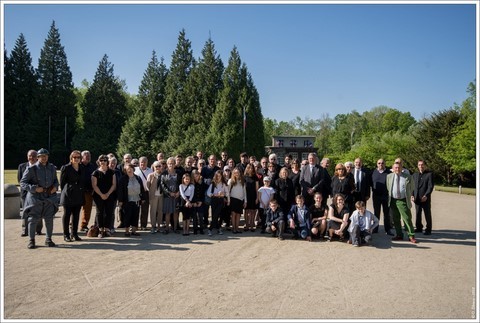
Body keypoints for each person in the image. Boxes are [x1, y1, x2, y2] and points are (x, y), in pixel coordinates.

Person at [20, 148, 59, 249]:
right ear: (38, 157)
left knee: (49, 219)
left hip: (49, 197)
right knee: (33, 219)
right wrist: (34, 188)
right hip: (35, 198)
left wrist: (55, 187)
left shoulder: (52, 168)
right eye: (42, 156)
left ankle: (48, 239)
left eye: (45, 156)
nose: (44, 157)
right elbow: (23, 183)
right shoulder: (31, 169)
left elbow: (55, 181)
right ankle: (31, 240)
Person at [387, 161, 417, 244]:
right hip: (393, 200)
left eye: (399, 167)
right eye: (395, 167)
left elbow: (412, 187)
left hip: (403, 200)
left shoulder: (408, 177)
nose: (397, 169)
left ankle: (411, 235)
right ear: (393, 168)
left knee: (407, 218)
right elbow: (388, 187)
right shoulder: (389, 176)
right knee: (396, 219)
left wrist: (409, 194)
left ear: (402, 168)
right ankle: (399, 235)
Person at [59, 150, 84, 242]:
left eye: (78, 157)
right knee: (67, 215)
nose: (76, 159)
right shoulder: (66, 168)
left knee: (76, 215)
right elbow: (62, 183)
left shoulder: (82, 167)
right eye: (75, 157)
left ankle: (75, 233)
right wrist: (66, 191)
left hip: (78, 194)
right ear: (71, 158)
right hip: (68, 195)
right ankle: (66, 235)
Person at [18, 149, 43, 236]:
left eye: (34, 156)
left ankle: (38, 229)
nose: (31, 158)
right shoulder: (21, 166)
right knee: (25, 212)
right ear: (27, 156)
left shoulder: (40, 166)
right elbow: (20, 180)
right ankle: (25, 230)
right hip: (25, 194)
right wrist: (30, 189)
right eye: (30, 156)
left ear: (37, 157)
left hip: (38, 193)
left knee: (39, 211)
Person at [91, 154, 117, 238]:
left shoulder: (111, 172)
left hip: (110, 195)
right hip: (98, 195)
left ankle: (107, 229)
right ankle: (100, 230)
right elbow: (94, 185)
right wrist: (102, 195)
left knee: (109, 212)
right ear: (98, 162)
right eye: (101, 160)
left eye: (105, 160)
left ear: (107, 162)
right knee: (100, 212)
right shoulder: (95, 173)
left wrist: (108, 194)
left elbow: (114, 184)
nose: (103, 162)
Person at [117, 164, 145, 237]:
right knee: (127, 216)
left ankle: (134, 231)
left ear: (133, 169)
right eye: (127, 169)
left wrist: (143, 198)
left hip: (136, 199)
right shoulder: (123, 179)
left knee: (135, 215)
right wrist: (120, 200)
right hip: (127, 200)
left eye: (131, 168)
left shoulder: (138, 178)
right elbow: (120, 190)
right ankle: (127, 231)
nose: (129, 170)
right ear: (125, 170)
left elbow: (142, 188)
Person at [412, 160, 434, 235]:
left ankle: (428, 229)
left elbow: (430, 186)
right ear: (417, 166)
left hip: (425, 198)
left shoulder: (429, 174)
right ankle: (418, 228)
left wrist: (426, 195)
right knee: (418, 213)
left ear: (425, 165)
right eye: (419, 165)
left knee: (427, 214)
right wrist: (412, 195)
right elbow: (412, 186)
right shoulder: (415, 175)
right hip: (416, 198)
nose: (421, 166)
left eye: (422, 165)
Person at [370, 158, 393, 235]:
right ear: (377, 164)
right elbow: (370, 183)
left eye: (382, 163)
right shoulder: (373, 172)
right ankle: (375, 229)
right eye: (379, 163)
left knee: (387, 214)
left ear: (385, 164)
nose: (381, 164)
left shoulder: (389, 172)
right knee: (376, 213)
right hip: (376, 196)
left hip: (386, 196)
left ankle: (388, 229)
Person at [160, 157, 181, 234]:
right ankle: (166, 229)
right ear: (167, 164)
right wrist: (169, 193)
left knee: (176, 212)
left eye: (172, 163)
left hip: (177, 195)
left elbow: (181, 183)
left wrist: (179, 192)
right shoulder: (164, 173)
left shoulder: (178, 172)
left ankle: (175, 228)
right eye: (169, 163)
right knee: (168, 212)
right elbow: (162, 185)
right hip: (168, 196)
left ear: (175, 164)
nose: (171, 165)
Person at [207, 170, 230, 236]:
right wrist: (214, 194)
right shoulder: (213, 184)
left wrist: (228, 200)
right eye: (217, 176)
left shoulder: (224, 184)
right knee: (215, 215)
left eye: (220, 176)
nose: (218, 177)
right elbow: (208, 193)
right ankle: (218, 228)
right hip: (214, 200)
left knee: (217, 214)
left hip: (220, 201)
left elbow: (227, 193)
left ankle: (210, 229)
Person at [79, 150, 96, 232]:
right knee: (75, 209)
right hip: (78, 191)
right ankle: (72, 225)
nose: (88, 157)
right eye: (86, 155)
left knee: (87, 210)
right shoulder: (78, 165)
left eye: (89, 155)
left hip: (88, 191)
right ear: (82, 157)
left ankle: (84, 225)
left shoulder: (92, 166)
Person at [134, 156, 153, 230]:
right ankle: (135, 225)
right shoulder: (135, 170)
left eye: (144, 162)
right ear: (139, 162)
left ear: (147, 163)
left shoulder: (150, 170)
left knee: (145, 209)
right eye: (142, 162)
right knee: (136, 209)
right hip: (136, 192)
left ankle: (143, 225)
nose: (143, 163)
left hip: (146, 192)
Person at [228, 167, 247, 234]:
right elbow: (228, 191)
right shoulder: (231, 181)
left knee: (238, 215)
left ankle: (237, 228)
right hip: (233, 199)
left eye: (238, 172)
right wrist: (228, 200)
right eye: (235, 173)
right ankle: (234, 228)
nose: (237, 174)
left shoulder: (242, 181)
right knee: (233, 214)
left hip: (240, 200)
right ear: (233, 173)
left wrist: (245, 201)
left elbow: (244, 192)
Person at [146, 161, 164, 234]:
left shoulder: (163, 175)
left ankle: (159, 226)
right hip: (153, 196)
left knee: (160, 211)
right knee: (153, 211)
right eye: (156, 166)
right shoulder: (150, 175)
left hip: (162, 196)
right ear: (153, 167)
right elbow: (147, 186)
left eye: (159, 166)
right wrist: (150, 191)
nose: (158, 168)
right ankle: (153, 226)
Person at [243, 164, 259, 232]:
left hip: (253, 196)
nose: (250, 169)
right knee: (246, 211)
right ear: (247, 168)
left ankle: (252, 225)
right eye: (249, 168)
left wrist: (257, 198)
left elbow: (257, 189)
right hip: (246, 196)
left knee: (253, 211)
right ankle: (247, 225)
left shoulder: (255, 177)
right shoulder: (244, 177)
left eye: (251, 168)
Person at [191, 169, 207, 235]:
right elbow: (190, 194)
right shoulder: (191, 184)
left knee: (201, 216)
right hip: (193, 202)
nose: (195, 177)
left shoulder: (202, 183)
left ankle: (201, 229)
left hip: (200, 201)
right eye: (194, 176)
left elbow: (204, 194)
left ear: (199, 175)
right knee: (194, 217)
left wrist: (201, 201)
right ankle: (195, 229)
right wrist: (193, 202)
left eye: (197, 175)